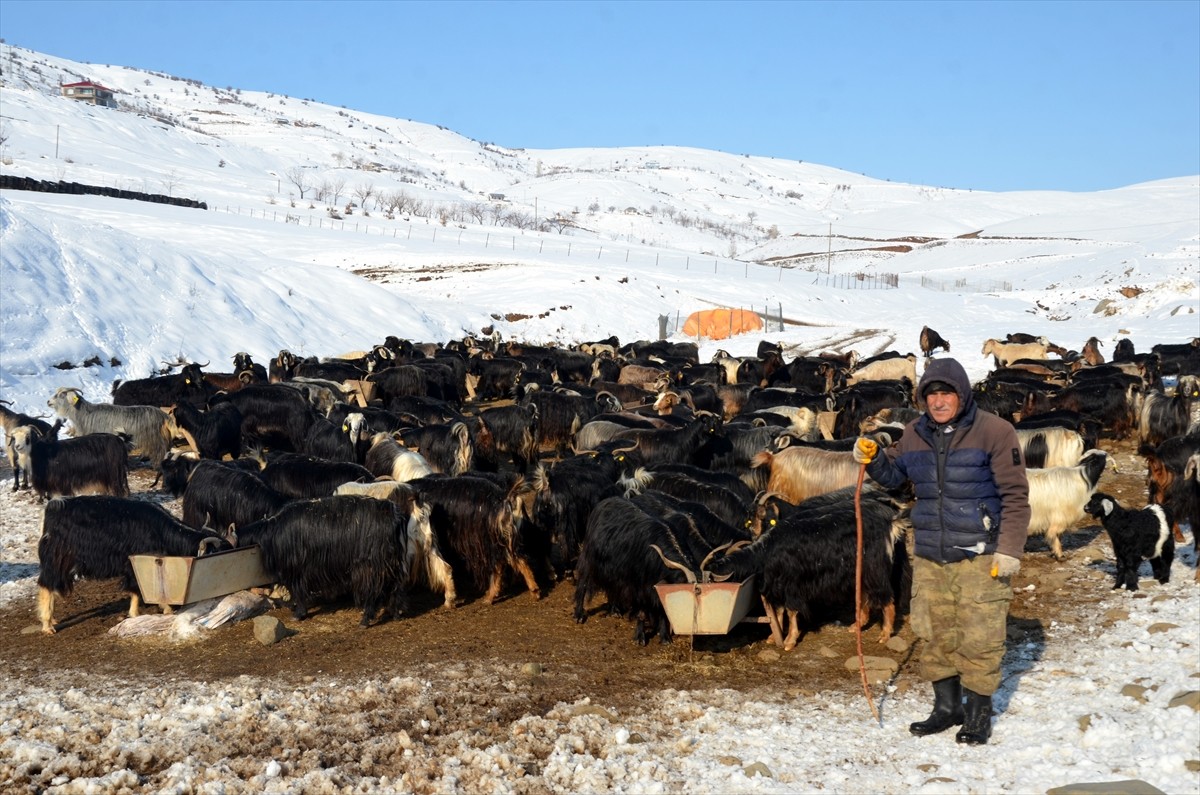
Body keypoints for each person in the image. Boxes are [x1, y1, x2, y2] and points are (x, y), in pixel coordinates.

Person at [853, 357, 1029, 745]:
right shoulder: (915, 433)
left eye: (946, 392)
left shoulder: (995, 432)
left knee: (980, 634)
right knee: (934, 632)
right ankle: (947, 708)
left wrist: (1010, 549)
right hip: (931, 551)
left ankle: (979, 713)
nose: (938, 401)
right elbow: (896, 475)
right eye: (931, 394)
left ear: (962, 393)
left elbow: (1016, 495)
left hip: (981, 552)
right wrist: (874, 458)